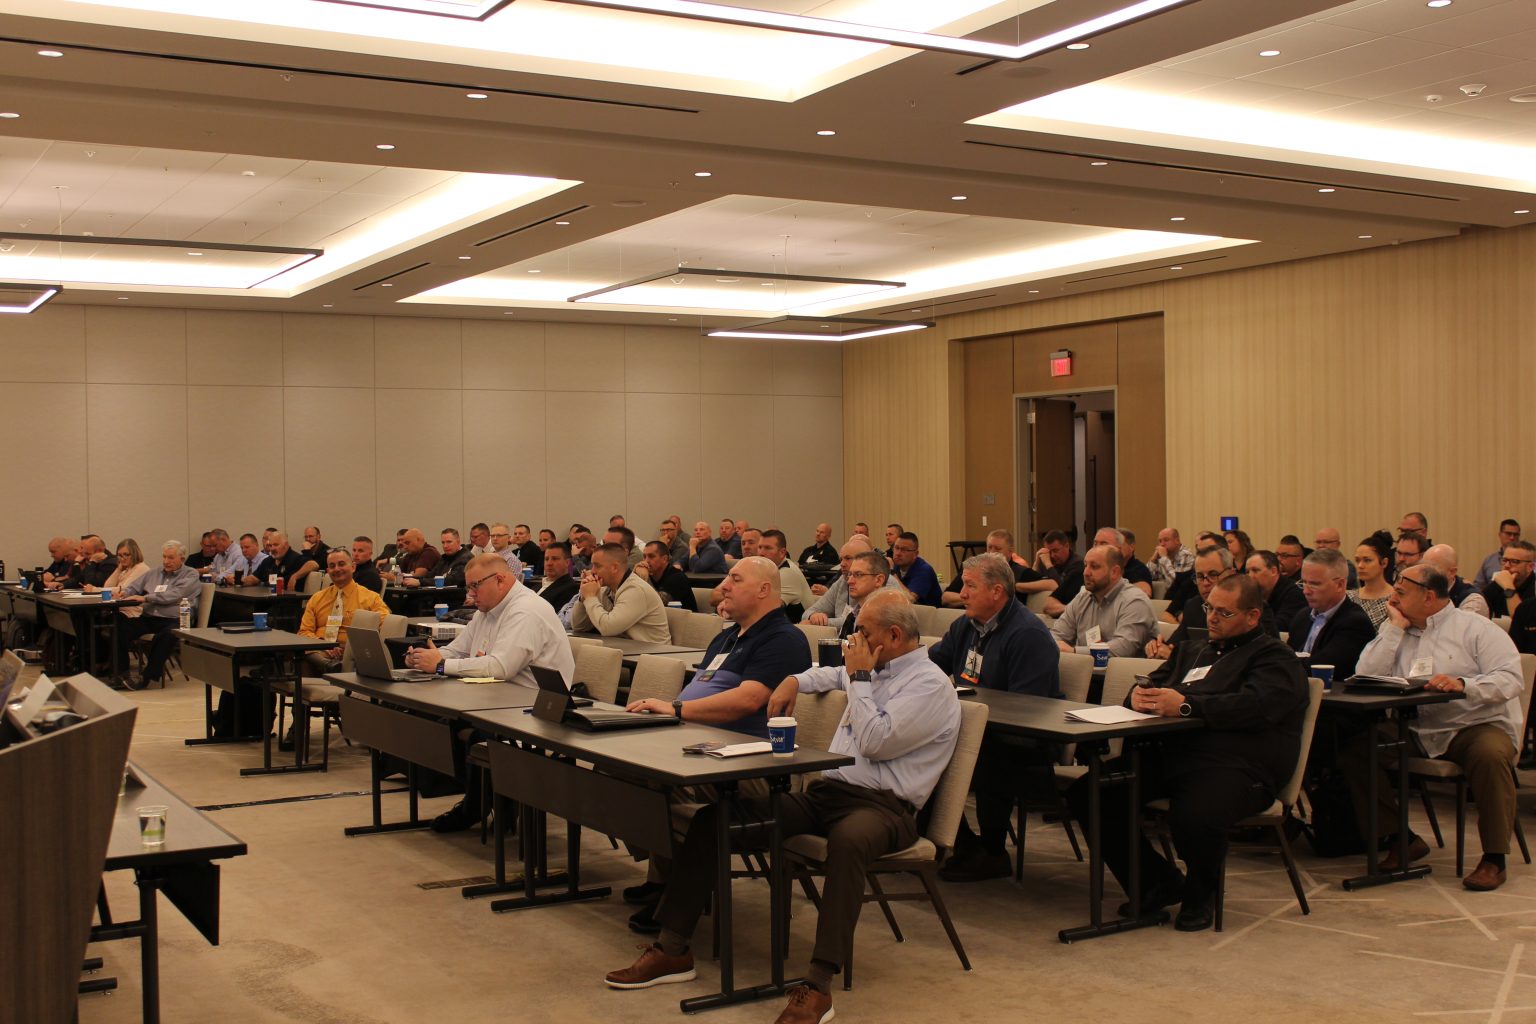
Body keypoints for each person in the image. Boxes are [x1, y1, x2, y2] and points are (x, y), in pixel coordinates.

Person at [607, 591, 959, 1024]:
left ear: (894, 636)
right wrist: (795, 680)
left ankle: (818, 985)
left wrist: (859, 677)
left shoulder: (929, 686)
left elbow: (874, 742)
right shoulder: (873, 666)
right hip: (828, 794)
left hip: (886, 809)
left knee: (848, 843)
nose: (852, 642)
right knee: (715, 820)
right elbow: (829, 673)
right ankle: (672, 948)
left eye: (862, 634)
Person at [1071, 575, 1309, 931]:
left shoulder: (1275, 658)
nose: (1212, 617)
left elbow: (1254, 706)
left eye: (1224, 613)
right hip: (1174, 755)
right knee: (1092, 791)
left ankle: (1201, 892)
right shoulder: (1192, 650)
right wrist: (1138, 698)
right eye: (1210, 608)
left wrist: (1186, 706)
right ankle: (1155, 883)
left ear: (1252, 616)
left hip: (1238, 765)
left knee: (1197, 811)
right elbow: (1153, 684)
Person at [1341, 563, 1524, 891]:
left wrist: (1464, 684)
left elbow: (1510, 679)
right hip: (1416, 727)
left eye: (1401, 592)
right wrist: (1394, 628)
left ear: (1428, 596)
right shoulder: (1398, 629)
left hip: (1474, 724)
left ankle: (1494, 858)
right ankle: (1401, 838)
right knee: (1357, 749)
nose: (1392, 598)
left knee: (1490, 755)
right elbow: (1365, 674)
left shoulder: (1476, 629)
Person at [413, 553, 576, 832]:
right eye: (468, 587)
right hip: (495, 701)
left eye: (475, 586)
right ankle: (481, 800)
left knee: (480, 733)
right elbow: (458, 650)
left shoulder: (526, 611)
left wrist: (440, 666)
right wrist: (425, 658)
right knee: (434, 720)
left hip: (536, 710)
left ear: (500, 579)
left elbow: (500, 667)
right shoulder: (487, 609)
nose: (470, 594)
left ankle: (480, 806)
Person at [929, 552, 1061, 881]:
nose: (962, 593)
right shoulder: (965, 626)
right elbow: (929, 667)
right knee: (915, 743)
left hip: (1023, 741)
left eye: (970, 586)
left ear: (997, 591)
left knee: (980, 752)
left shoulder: (1028, 634)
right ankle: (953, 843)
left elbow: (1025, 708)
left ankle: (991, 852)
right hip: (975, 728)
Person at [114, 541, 202, 690]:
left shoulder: (191, 574)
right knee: (120, 628)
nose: (166, 561)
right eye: (164, 557)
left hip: (176, 619)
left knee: (167, 635)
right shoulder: (154, 572)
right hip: (149, 617)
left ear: (182, 559)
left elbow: (175, 595)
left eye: (171, 558)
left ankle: (146, 678)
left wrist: (146, 598)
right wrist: (124, 593)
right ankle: (121, 674)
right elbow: (134, 586)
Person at [297, 548, 391, 676]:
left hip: (351, 651)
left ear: (353, 567)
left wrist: (352, 647)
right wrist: (323, 644)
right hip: (320, 648)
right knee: (302, 653)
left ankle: (330, 667)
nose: (336, 569)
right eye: (332, 566)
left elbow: (386, 625)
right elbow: (304, 631)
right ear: (328, 571)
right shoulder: (317, 598)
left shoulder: (370, 598)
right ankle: (328, 665)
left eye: (341, 564)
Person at [1050, 545, 1156, 657]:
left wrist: (1074, 652)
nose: (1085, 572)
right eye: (1085, 565)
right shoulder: (1082, 598)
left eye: (1094, 566)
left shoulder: (1134, 601)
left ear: (1114, 572)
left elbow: (1123, 648)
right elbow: (1056, 635)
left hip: (1122, 668)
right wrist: (1056, 646)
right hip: (1084, 667)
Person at [1287, 548, 1376, 679]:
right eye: (1304, 582)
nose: (1306, 591)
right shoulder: (1302, 617)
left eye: (1314, 584)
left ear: (1340, 585)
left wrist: (1283, 664)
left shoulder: (1355, 623)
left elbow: (1321, 668)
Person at [572, 543, 670, 642]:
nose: (592, 571)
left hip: (652, 651)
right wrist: (583, 597)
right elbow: (579, 626)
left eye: (597, 566)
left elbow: (607, 628)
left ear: (614, 567)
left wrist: (590, 597)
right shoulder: (604, 589)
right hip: (626, 648)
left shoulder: (636, 590)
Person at [803, 537, 905, 627]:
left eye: (848, 558)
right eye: (841, 559)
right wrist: (813, 616)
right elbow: (808, 612)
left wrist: (821, 623)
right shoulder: (844, 579)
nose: (842, 564)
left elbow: (863, 622)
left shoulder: (885, 583)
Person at [942, 529, 1053, 608]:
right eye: (989, 547)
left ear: (1010, 552)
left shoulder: (1019, 572)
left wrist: (1016, 586)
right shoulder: (973, 570)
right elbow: (946, 597)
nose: (992, 552)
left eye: (998, 549)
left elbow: (1052, 584)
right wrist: (976, 598)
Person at [83, 539, 150, 623]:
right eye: (119, 555)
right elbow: (107, 586)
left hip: (132, 613)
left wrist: (94, 589)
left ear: (134, 554)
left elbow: (123, 589)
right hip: (119, 609)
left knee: (93, 618)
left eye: (126, 555)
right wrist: (118, 570)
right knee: (85, 615)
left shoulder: (140, 568)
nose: (122, 558)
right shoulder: (126, 569)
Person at [758, 529, 814, 620]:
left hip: (801, 626)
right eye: (760, 547)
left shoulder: (787, 572)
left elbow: (767, 610)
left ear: (782, 552)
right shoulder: (771, 569)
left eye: (767, 548)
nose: (761, 553)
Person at [1424, 544, 1490, 618]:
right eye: (1423, 569)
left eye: (1432, 569)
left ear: (1452, 572)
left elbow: (1459, 625)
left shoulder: (1473, 600)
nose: (1425, 575)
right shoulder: (1421, 590)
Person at [1246, 550, 1307, 628]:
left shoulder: (1294, 594)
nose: (1250, 576)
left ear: (1273, 571)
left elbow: (1279, 627)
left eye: (1255, 570)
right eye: (1247, 572)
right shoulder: (1250, 593)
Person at [1350, 530, 1396, 630]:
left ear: (1384, 563)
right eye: (1357, 560)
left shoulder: (1395, 600)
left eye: (1367, 560)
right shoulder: (1349, 597)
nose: (1360, 565)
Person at [1032, 529, 1084, 615]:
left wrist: (1049, 565)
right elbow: (1032, 580)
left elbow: (1062, 588)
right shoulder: (1047, 560)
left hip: (1064, 610)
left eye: (1055, 551)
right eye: (1049, 552)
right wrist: (1037, 562)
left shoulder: (1077, 564)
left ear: (1067, 546)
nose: (1052, 555)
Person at [1483, 540, 1536, 619]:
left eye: (1514, 561)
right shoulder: (1498, 583)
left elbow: (1522, 620)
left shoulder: (1534, 587)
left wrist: (1509, 587)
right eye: (1504, 560)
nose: (1506, 565)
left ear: (1530, 567)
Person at [639, 540, 696, 611]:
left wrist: (643, 579)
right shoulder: (650, 575)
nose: (646, 561)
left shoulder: (677, 577)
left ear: (664, 559)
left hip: (685, 618)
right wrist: (635, 575)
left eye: (651, 556)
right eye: (644, 557)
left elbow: (657, 602)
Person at [890, 531, 942, 607]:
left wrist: (892, 572)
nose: (898, 553)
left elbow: (910, 599)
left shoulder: (924, 570)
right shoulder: (896, 566)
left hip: (926, 613)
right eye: (896, 548)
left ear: (915, 554)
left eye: (904, 550)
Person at [1473, 520, 1522, 591]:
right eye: (1508, 534)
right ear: (1500, 535)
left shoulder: (1526, 560)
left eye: (1516, 534)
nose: (1512, 537)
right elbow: (1478, 586)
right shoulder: (1489, 560)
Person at [534, 542, 579, 611]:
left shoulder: (571, 588)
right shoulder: (536, 586)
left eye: (555, 559)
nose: (549, 563)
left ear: (567, 562)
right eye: (546, 559)